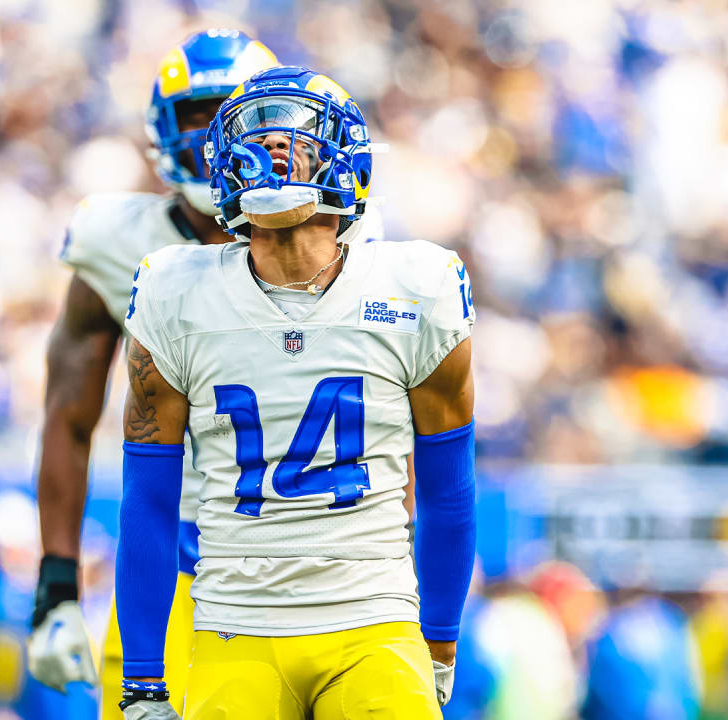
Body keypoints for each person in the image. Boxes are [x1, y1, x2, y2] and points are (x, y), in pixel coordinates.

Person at [112, 65, 476, 719]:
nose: (274, 152)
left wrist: (440, 639)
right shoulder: (175, 291)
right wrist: (142, 676)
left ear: (346, 164)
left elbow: (449, 489)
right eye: (255, 138)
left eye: (298, 141)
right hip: (236, 624)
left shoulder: (416, 285)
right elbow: (148, 497)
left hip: (373, 619)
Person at [25, 28, 281, 717]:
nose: (210, 136)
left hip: (302, 563)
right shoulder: (115, 243)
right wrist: (55, 586)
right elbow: (68, 419)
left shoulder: (333, 242)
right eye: (193, 118)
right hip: (172, 570)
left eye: (227, 113)